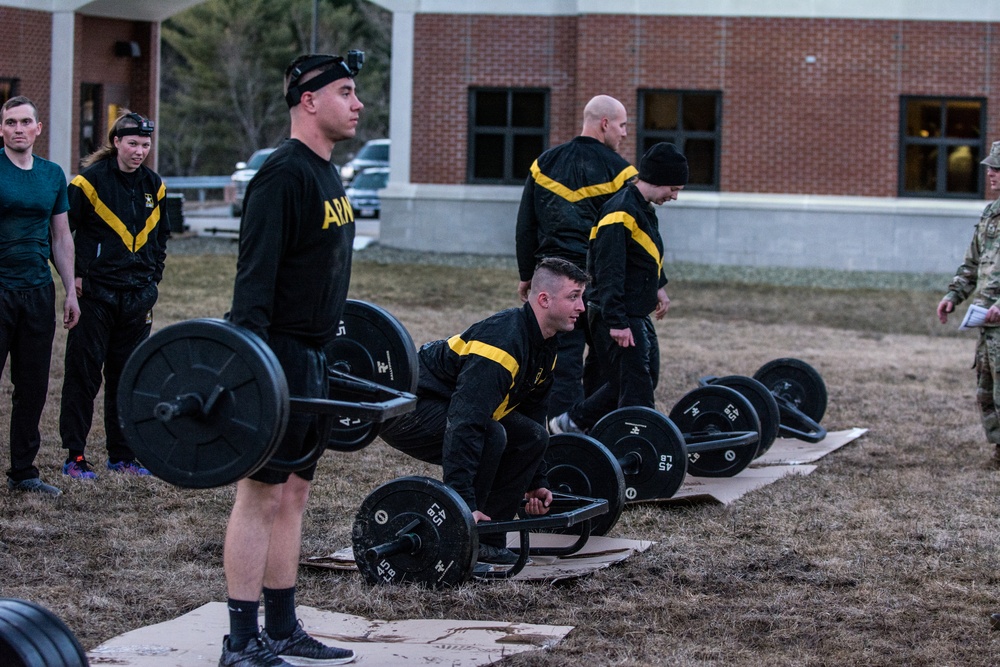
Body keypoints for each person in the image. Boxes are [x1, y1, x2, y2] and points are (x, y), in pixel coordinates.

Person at [219, 52, 364, 667]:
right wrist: (253, 372)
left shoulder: (330, 174)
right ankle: (241, 640)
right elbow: (252, 284)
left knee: (295, 493)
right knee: (259, 494)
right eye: (346, 92)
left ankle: (281, 627)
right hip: (277, 354)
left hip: (316, 354)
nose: (358, 104)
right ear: (309, 100)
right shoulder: (282, 174)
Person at [379, 257, 588, 564]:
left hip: (454, 408)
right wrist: (463, 505)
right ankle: (466, 531)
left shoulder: (544, 345)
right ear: (544, 299)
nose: (581, 307)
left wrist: (537, 481)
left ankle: (489, 540)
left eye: (581, 297)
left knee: (531, 436)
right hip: (407, 409)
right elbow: (466, 424)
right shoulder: (502, 345)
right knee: (492, 434)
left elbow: (533, 418)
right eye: (574, 297)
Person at [549, 142, 688, 434]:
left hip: (634, 312)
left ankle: (572, 423)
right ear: (657, 179)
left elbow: (644, 256)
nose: (674, 196)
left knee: (641, 376)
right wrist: (617, 323)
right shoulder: (620, 212)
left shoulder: (642, 209)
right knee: (636, 388)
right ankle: (636, 441)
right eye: (673, 189)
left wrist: (659, 288)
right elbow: (608, 271)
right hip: (617, 315)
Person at [59, 110, 168, 480]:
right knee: (83, 376)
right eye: (132, 143)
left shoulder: (155, 185)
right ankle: (75, 456)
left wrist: (154, 277)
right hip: (95, 296)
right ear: (116, 142)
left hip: (137, 299)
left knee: (128, 378)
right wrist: (73, 276)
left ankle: (122, 456)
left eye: (145, 144)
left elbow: (161, 238)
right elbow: (59, 233)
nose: (139, 151)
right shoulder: (87, 183)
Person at [515, 95, 638, 417]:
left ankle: (558, 435)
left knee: (561, 362)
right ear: (605, 123)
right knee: (604, 362)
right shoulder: (623, 174)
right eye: (623, 125)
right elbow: (630, 237)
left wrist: (528, 274)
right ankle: (590, 435)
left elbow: (526, 225)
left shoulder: (544, 164)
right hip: (598, 281)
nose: (625, 133)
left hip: (554, 280)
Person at [0, 96, 80, 496]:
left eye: (25, 121)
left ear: (37, 128)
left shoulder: (52, 175)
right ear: (1, 130)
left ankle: (23, 473)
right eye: (10, 121)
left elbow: (61, 235)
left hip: (36, 292)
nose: (18, 128)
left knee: (32, 385)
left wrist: (70, 290)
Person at [938, 139, 1000, 463]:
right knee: (986, 391)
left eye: (997, 168)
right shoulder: (990, 214)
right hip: (986, 325)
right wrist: (954, 295)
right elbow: (973, 264)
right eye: (990, 167)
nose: (990, 173)